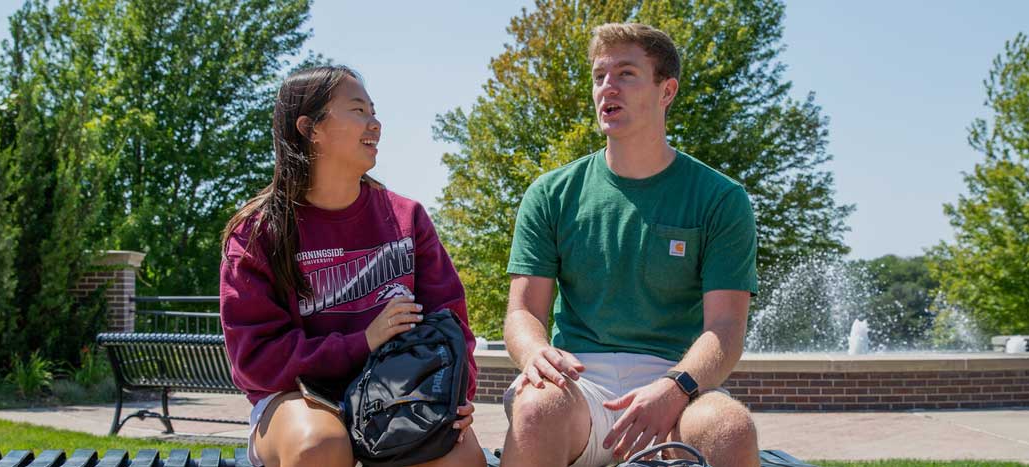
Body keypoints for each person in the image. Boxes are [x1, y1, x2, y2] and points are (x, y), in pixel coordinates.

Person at [501, 23, 761, 467]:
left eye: (626, 74)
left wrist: (675, 387)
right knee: (534, 410)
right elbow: (523, 312)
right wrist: (534, 353)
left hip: (678, 383)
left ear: (667, 90)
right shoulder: (551, 193)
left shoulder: (720, 198)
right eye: (600, 76)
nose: (608, 88)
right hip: (580, 384)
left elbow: (725, 329)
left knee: (729, 429)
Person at [219, 65, 485, 467]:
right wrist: (362, 342)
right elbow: (256, 360)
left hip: (398, 393)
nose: (375, 124)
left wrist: (455, 395)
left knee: (460, 458)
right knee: (320, 446)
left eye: (374, 111)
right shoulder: (258, 232)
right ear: (310, 128)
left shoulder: (407, 217)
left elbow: (450, 324)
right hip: (299, 400)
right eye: (358, 110)